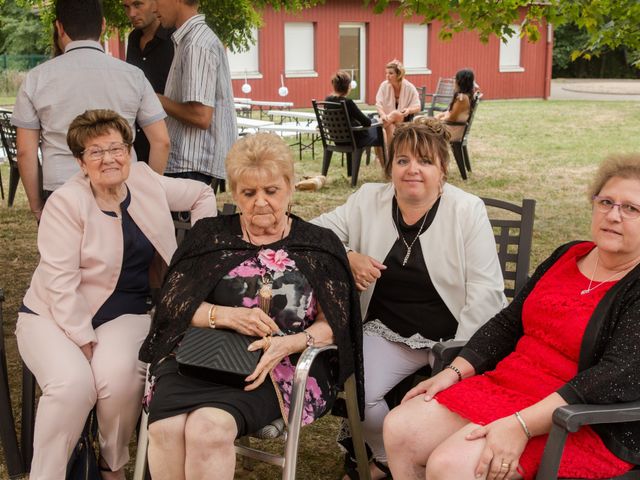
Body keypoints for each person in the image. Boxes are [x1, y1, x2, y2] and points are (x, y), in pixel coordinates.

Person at [383, 154, 640, 480]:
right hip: (507, 386)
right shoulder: (568, 255)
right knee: (401, 429)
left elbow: (613, 376)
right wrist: (454, 372)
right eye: (606, 202)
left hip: (578, 418)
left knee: (451, 465)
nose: (613, 215)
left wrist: (521, 425)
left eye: (630, 208)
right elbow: (509, 322)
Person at [139, 132, 364, 480]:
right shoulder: (209, 236)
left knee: (208, 429)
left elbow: (336, 321)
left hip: (276, 367)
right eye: (249, 192)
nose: (260, 201)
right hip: (198, 358)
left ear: (290, 187)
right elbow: (174, 306)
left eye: (271, 191)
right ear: (234, 193)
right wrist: (223, 315)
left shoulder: (318, 245)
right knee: (164, 429)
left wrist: (291, 342)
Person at [15, 109, 217, 480]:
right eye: (95, 152)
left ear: (129, 150)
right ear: (80, 161)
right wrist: (83, 339)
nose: (109, 158)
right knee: (73, 386)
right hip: (53, 317)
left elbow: (202, 193)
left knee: (119, 376)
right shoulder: (66, 202)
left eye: (116, 147)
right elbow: (61, 284)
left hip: (127, 310)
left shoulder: (143, 179)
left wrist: (197, 262)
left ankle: (112, 466)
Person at [312, 118, 506, 479]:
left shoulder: (466, 210)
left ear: (443, 170)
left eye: (425, 162)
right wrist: (348, 255)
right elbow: (312, 233)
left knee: (444, 405)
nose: (412, 170)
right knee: (355, 387)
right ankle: (389, 457)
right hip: (390, 332)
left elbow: (485, 292)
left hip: (454, 337)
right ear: (390, 168)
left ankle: (420, 457)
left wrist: (460, 358)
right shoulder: (368, 199)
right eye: (402, 161)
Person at [11, 0, 170, 222]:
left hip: (61, 190)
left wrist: (38, 207)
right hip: (123, 188)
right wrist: (148, 193)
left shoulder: (36, 79)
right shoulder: (133, 75)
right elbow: (161, 141)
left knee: (67, 256)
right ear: (103, 26)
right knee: (124, 256)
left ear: (59, 27)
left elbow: (25, 153)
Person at [154, 0, 237, 192]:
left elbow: (201, 116)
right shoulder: (191, 40)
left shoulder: (196, 44)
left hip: (192, 166)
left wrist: (153, 97)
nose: (154, 7)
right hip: (190, 165)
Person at [123, 0, 175, 163]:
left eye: (138, 5)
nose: (131, 13)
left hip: (172, 149)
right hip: (137, 146)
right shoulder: (133, 38)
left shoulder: (176, 39)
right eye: (126, 7)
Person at [325, 70, 384, 154]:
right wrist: (379, 121)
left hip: (337, 140)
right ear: (348, 87)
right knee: (377, 123)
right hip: (354, 140)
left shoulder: (328, 100)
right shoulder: (348, 103)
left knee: (375, 121)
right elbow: (366, 122)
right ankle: (385, 162)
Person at [375, 59, 421, 145]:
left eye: (391, 73)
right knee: (390, 127)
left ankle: (375, 129)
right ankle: (388, 157)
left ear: (399, 75)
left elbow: (418, 106)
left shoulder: (409, 87)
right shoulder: (384, 86)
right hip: (387, 120)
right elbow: (379, 104)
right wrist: (383, 115)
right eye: (386, 73)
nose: (387, 76)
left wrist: (408, 110)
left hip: (403, 121)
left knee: (395, 114)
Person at [435, 68, 476, 141]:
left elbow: (452, 118)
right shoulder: (467, 96)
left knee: (419, 124)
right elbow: (453, 114)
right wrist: (440, 115)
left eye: (455, 79)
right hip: (452, 128)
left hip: (451, 130)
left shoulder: (462, 98)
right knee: (421, 122)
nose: (454, 81)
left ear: (460, 82)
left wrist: (438, 119)